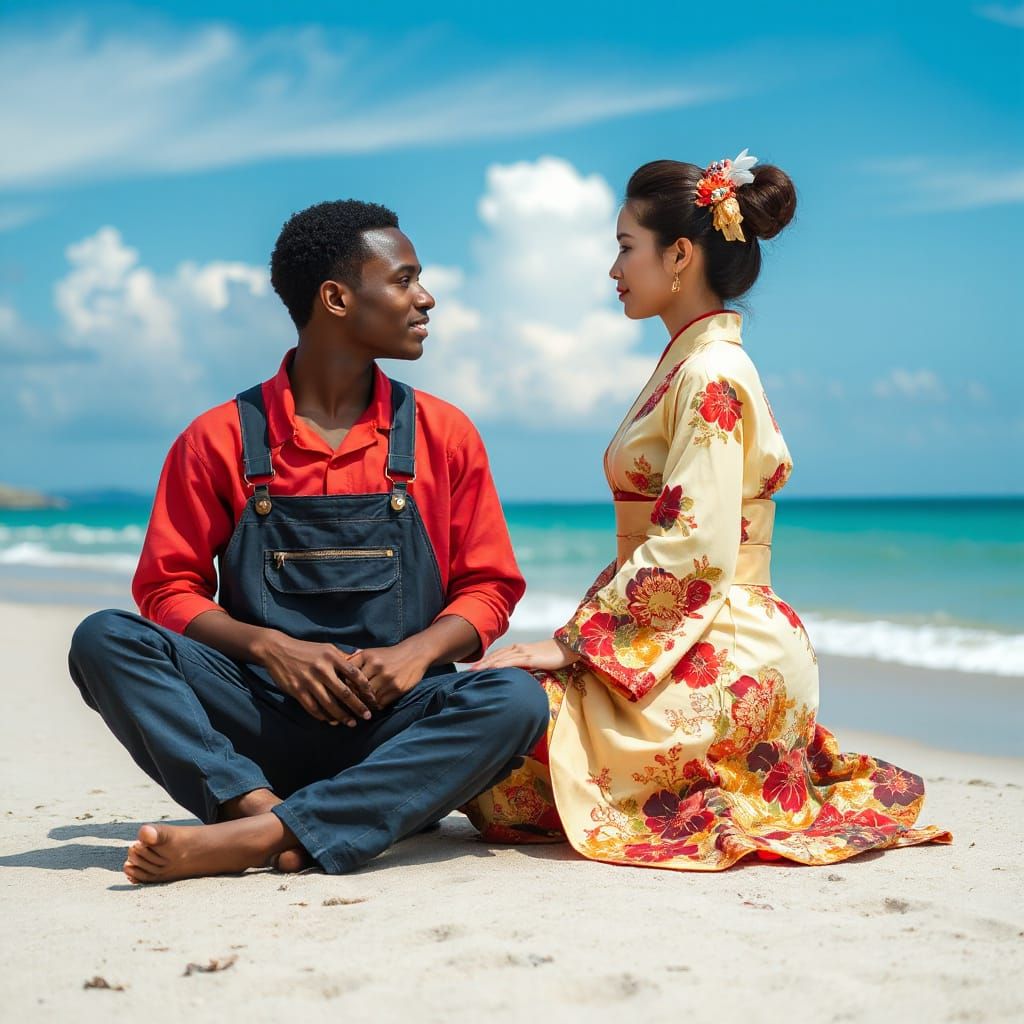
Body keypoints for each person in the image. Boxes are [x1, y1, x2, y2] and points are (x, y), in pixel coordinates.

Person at [465, 151, 952, 868]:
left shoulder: (713, 372)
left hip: (727, 644)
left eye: (626, 247)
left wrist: (571, 646)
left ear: (681, 254)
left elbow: (695, 543)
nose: (613, 269)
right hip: (699, 631)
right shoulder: (691, 364)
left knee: (501, 764)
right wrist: (580, 641)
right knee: (496, 747)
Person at [68, 199, 549, 883]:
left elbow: (490, 589)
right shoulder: (219, 437)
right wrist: (270, 648)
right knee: (103, 639)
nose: (427, 298)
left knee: (516, 701)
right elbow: (166, 589)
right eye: (405, 280)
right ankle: (257, 809)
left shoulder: (445, 434)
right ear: (337, 298)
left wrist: (415, 655)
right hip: (255, 722)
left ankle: (255, 836)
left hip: (393, 733)